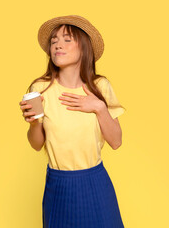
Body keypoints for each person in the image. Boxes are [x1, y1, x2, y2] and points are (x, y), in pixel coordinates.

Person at [18, 15, 126, 228]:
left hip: (95, 183)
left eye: (67, 39)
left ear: (84, 47)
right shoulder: (40, 89)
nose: (57, 44)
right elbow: (36, 143)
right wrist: (33, 123)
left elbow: (116, 142)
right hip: (58, 186)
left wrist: (99, 107)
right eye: (54, 41)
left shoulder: (100, 86)